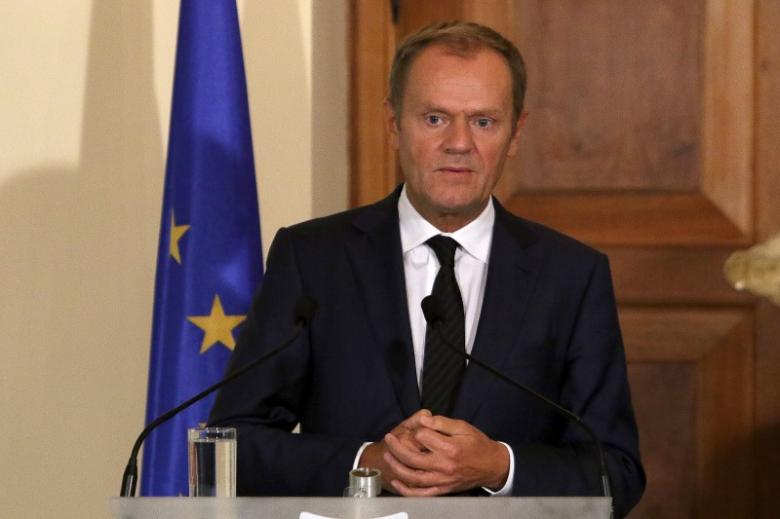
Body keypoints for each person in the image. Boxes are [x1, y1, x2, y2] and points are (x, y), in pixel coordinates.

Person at [209, 21, 645, 517]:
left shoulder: (571, 276)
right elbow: (234, 447)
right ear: (394, 125)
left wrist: (499, 467)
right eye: (435, 118)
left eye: (483, 122)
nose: (459, 143)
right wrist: (366, 463)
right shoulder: (313, 259)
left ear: (516, 133)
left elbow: (617, 472)